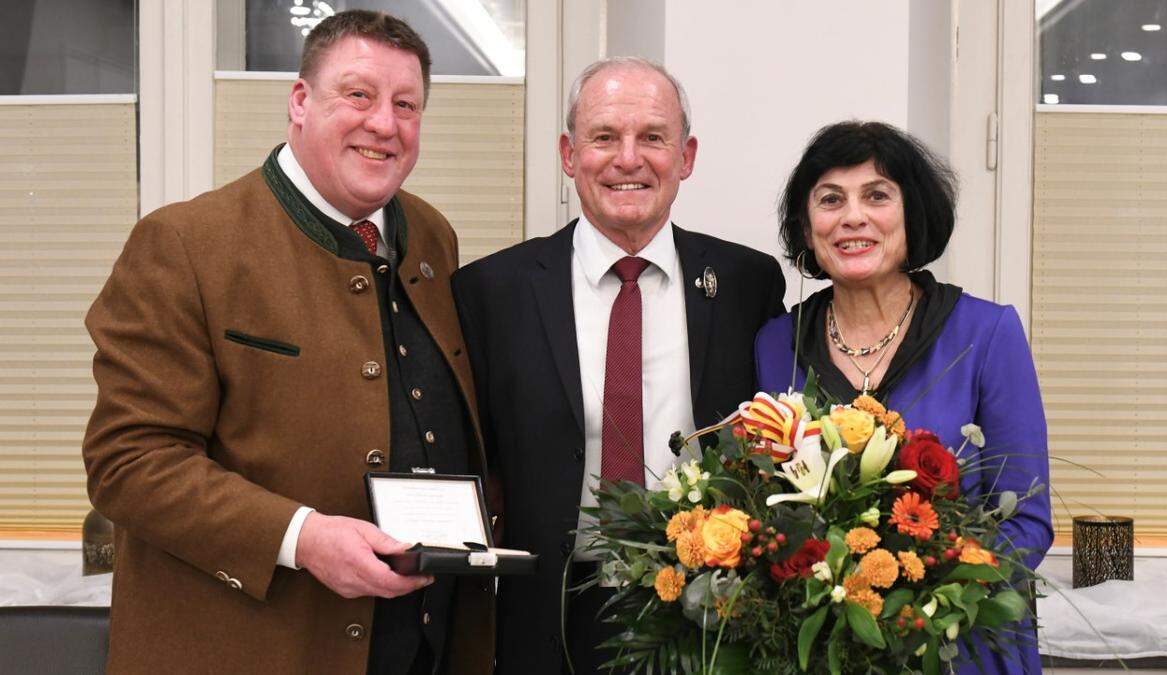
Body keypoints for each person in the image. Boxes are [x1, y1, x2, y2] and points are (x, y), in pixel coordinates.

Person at [82, 10, 493, 674]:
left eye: (405, 104)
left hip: (422, 648)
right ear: (300, 102)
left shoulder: (431, 235)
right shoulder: (187, 244)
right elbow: (128, 461)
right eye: (358, 94)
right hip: (251, 651)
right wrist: (301, 537)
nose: (384, 123)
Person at [451, 57, 785, 674]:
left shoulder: (747, 283)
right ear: (568, 153)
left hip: (708, 611)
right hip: (544, 611)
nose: (628, 158)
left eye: (652, 137)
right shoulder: (491, 291)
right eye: (604, 136)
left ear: (685, 156)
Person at [755, 121, 1052, 674]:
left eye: (877, 196)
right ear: (806, 224)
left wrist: (919, 603)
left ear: (912, 214)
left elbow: (1027, 521)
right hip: (818, 652)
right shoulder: (777, 342)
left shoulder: (987, 334)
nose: (852, 217)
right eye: (829, 199)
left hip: (958, 646)